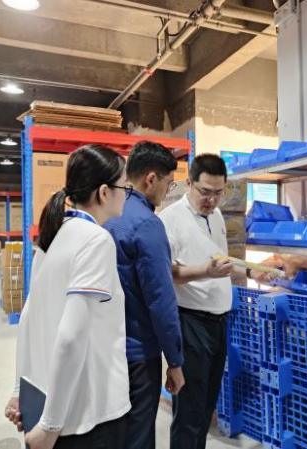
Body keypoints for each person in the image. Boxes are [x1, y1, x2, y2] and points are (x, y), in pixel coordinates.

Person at [4, 144, 132, 449]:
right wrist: (50, 426)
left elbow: (29, 320)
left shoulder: (53, 235)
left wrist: (19, 390)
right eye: (124, 187)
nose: (126, 195)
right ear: (104, 192)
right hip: (90, 414)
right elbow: (71, 336)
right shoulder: (96, 240)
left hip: (50, 402)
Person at [159, 154, 272, 449]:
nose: (211, 200)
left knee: (208, 403)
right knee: (190, 408)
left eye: (218, 193)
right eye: (205, 192)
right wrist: (205, 272)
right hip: (190, 321)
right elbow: (168, 274)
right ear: (189, 183)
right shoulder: (170, 220)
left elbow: (221, 261)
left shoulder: (217, 216)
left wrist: (251, 272)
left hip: (219, 321)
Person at [103, 141, 185, 449]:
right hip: (138, 354)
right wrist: (174, 361)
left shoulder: (106, 213)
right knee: (138, 435)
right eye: (168, 183)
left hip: (105, 348)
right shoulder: (147, 225)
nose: (167, 191)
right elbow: (161, 301)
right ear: (151, 179)